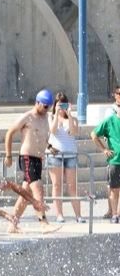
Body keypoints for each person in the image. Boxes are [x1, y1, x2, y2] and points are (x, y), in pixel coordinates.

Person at [4, 89, 59, 233]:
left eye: (49, 106)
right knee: (38, 188)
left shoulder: (45, 118)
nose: (47, 109)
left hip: (38, 159)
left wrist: (49, 147)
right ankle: (43, 222)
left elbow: (41, 137)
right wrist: (8, 155)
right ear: (37, 102)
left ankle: (12, 223)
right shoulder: (28, 117)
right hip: (27, 158)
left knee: (25, 195)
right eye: (45, 106)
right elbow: (9, 133)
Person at [46, 93, 83, 223]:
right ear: (55, 105)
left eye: (64, 104)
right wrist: (56, 114)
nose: (61, 108)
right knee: (57, 185)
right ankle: (59, 214)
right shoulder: (51, 117)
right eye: (59, 105)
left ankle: (78, 215)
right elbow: (53, 130)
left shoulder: (73, 119)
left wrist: (70, 115)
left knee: (72, 186)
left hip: (70, 155)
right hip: (55, 155)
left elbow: (73, 132)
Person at [91, 97, 120, 223]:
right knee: (114, 188)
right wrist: (104, 150)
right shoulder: (110, 121)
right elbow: (93, 134)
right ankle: (114, 214)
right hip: (115, 161)